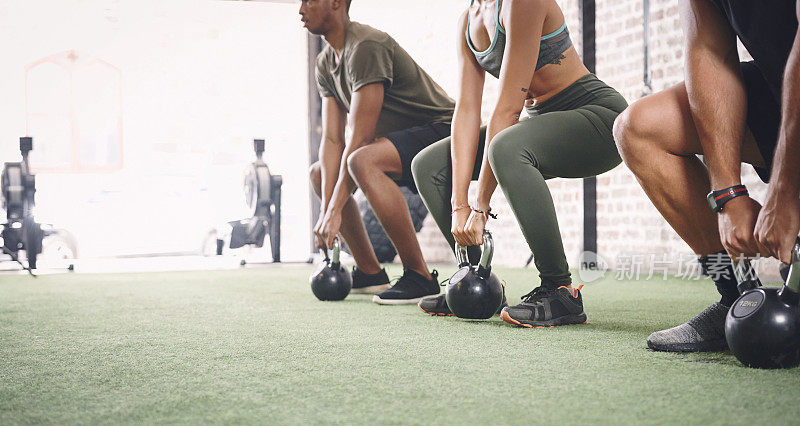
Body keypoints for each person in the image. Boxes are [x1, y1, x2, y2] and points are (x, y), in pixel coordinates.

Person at [412, 0, 627, 326]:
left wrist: (480, 206)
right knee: (429, 165)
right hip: (538, 125)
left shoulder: (521, 3)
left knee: (504, 146)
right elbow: (467, 111)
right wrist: (459, 207)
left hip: (597, 119)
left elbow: (508, 110)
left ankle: (560, 290)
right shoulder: (468, 20)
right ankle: (476, 279)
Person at [614, 0, 800, 352]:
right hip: (781, 91)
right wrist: (727, 195)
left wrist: (784, 192)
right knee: (638, 129)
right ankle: (737, 299)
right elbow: (709, 52)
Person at [301, 0, 456, 304]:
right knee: (320, 172)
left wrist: (334, 212)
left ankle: (420, 276)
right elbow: (333, 141)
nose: (301, 9)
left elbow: (360, 138)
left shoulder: (366, 46)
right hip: (399, 144)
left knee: (362, 159)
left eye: (309, 0)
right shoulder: (325, 64)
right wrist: (324, 214)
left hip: (444, 132)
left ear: (335, 3)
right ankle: (371, 272)